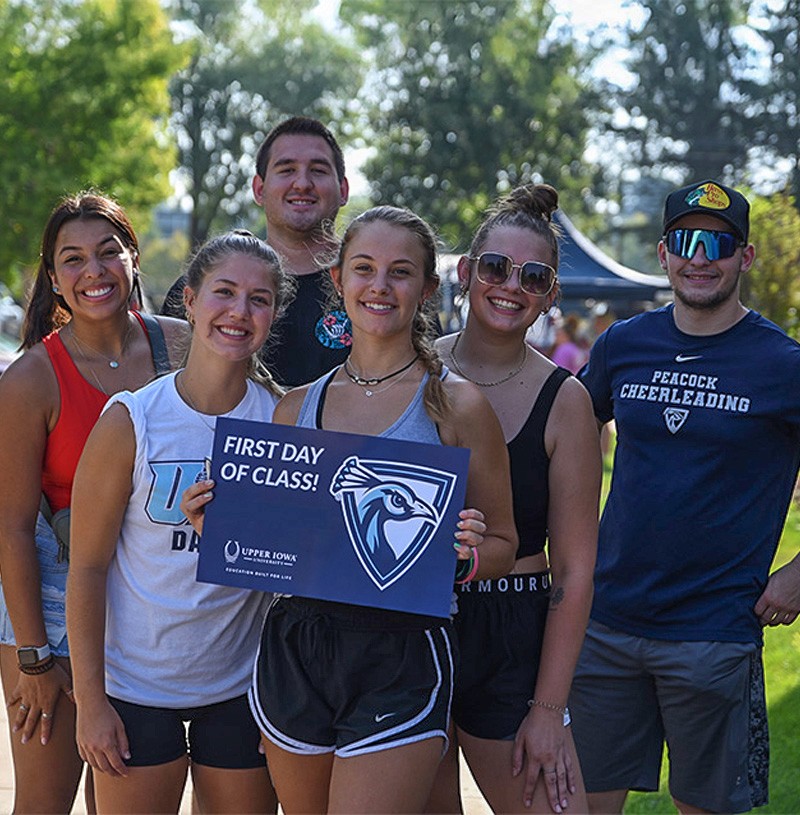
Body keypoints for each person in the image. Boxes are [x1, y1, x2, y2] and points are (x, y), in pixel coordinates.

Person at [184, 205, 518, 813]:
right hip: (299, 646)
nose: (380, 286)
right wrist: (221, 526)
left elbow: (502, 542)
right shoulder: (295, 409)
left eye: (400, 272)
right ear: (338, 280)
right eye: (363, 269)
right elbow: (274, 548)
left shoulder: (457, 406)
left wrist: (465, 560)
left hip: (404, 648)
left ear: (428, 287)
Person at [568, 179, 800, 814]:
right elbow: (568, 435)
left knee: (706, 807)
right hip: (608, 621)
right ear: (665, 252)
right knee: (583, 804)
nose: (701, 257)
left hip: (715, 632)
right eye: (686, 241)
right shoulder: (624, 344)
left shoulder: (783, 364)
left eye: (719, 244)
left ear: (744, 258)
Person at [66, 231, 290, 814]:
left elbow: (299, 566)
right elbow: (86, 568)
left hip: (240, 689)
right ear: (188, 301)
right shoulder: (133, 419)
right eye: (224, 292)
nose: (239, 312)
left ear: (274, 313)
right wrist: (91, 702)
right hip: (136, 689)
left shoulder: (284, 422)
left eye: (259, 299)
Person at [0, 192, 187, 813]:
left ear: (134, 258)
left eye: (109, 252)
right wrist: (33, 659)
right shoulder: (30, 380)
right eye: (73, 259)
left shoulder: (184, 346)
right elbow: (12, 528)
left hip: (154, 602)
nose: (94, 272)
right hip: (51, 609)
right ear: (53, 279)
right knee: (46, 802)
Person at [428, 184, 600, 815]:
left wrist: (549, 709)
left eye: (534, 277)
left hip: (512, 631)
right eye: (497, 268)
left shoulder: (566, 401)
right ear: (468, 273)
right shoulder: (414, 372)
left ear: (551, 294)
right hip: (412, 623)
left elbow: (576, 570)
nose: (511, 286)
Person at [162, 115, 351, 386]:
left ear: (343, 190)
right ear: (259, 189)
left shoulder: (376, 288)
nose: (302, 183)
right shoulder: (204, 286)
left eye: (318, 170)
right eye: (286, 170)